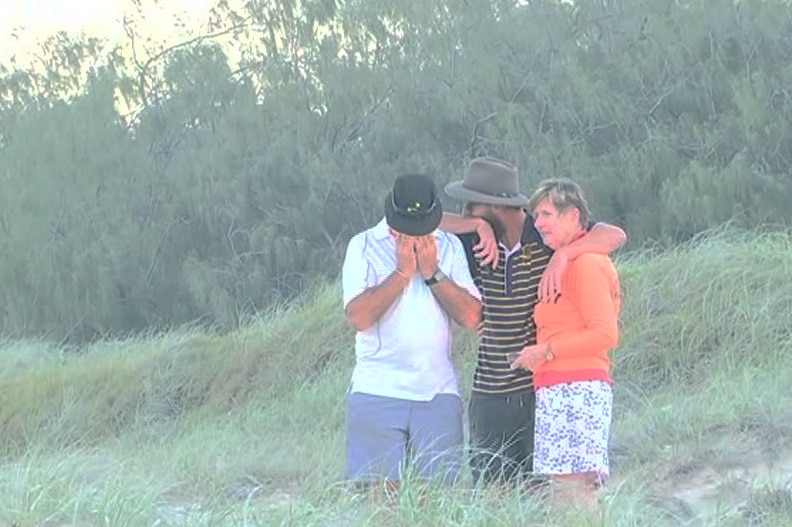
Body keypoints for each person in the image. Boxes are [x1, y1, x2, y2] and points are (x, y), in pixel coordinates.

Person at [439, 157, 626, 490]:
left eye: (472, 205)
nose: (464, 211)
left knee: (546, 491)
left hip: (539, 385)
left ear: (495, 205)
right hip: (490, 388)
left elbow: (614, 235)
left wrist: (566, 255)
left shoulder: (545, 234)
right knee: (492, 492)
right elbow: (426, 222)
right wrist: (476, 226)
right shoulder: (476, 238)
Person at [341, 173, 483, 505]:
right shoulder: (363, 245)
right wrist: (402, 272)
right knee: (383, 504)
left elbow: (471, 316)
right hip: (377, 390)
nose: (414, 237)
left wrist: (433, 272)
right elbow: (359, 317)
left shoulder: (447, 246)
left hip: (437, 391)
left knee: (436, 501)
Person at [510, 178, 621, 507]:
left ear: (573, 216)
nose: (538, 223)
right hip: (559, 387)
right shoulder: (566, 261)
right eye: (535, 215)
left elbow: (605, 334)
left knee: (575, 492)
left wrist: (545, 351)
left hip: (578, 388)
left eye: (545, 214)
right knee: (566, 491)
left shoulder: (585, 264)